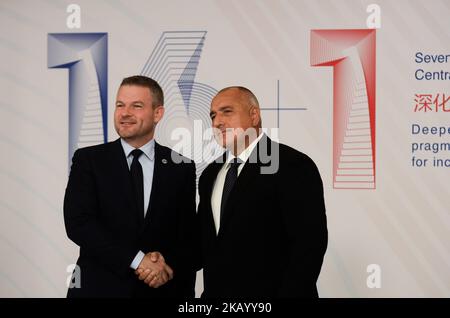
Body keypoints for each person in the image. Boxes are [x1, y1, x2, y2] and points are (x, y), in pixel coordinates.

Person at [64, 75, 197, 297]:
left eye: (136, 106)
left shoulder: (181, 166)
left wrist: (163, 266)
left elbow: (188, 235)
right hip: (100, 290)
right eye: (120, 105)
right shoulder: (88, 160)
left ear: (158, 113)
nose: (125, 113)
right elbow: (79, 222)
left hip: (161, 292)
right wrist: (138, 260)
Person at [196, 86, 328, 297]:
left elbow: (309, 245)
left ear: (254, 115)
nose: (217, 122)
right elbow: (205, 244)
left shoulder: (292, 165)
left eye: (227, 111)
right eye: (213, 115)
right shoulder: (210, 174)